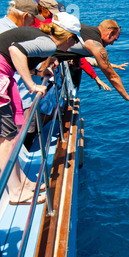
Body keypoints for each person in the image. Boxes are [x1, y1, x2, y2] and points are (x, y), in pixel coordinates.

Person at [0, 12, 82, 205]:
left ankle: (23, 184)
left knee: (10, 137)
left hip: (4, 74)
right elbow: (15, 52)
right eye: (73, 40)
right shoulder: (49, 44)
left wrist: (37, 72)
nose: (72, 45)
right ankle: (16, 192)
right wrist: (31, 84)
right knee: (6, 140)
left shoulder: (41, 37)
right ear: (68, 37)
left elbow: (11, 55)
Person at [54, 19, 129, 101]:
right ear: (110, 33)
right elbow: (112, 76)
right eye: (114, 39)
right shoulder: (97, 46)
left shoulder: (83, 28)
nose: (112, 43)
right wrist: (127, 97)